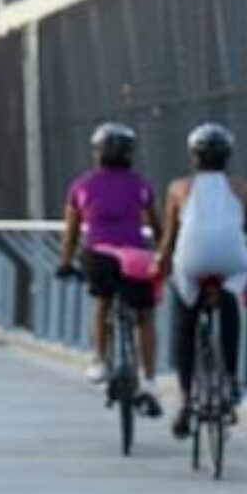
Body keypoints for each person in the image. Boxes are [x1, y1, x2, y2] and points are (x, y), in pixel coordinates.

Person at [155, 122, 247, 440]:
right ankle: (231, 379)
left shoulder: (178, 189)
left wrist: (160, 265)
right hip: (231, 259)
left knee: (185, 320)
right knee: (229, 305)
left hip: (193, 260)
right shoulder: (245, 189)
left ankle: (186, 399)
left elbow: (170, 238)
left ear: (193, 156)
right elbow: (244, 234)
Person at [58, 121, 163, 415]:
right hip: (137, 259)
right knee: (144, 316)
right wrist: (163, 256)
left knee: (103, 303)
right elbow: (156, 227)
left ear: (98, 153)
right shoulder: (141, 185)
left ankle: (100, 361)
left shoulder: (82, 186)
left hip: (100, 256)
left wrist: (66, 263)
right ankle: (150, 379)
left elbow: (72, 232)